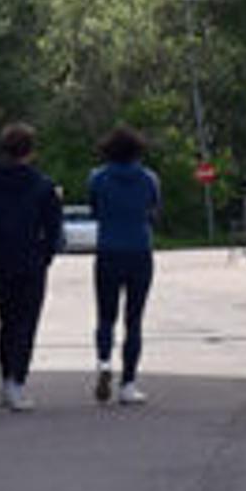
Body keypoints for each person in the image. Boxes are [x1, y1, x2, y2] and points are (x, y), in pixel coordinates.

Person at [0, 119, 65, 409]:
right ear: (31, 151)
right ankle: (17, 383)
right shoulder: (43, 186)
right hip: (30, 261)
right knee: (26, 323)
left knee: (7, 322)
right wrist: (46, 256)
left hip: (1, 261)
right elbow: (54, 228)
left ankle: (6, 381)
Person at [87, 123, 163, 403]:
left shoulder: (97, 178)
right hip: (139, 252)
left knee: (105, 316)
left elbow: (95, 210)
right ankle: (128, 384)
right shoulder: (149, 179)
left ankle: (104, 361)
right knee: (134, 320)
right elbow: (154, 212)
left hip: (108, 251)